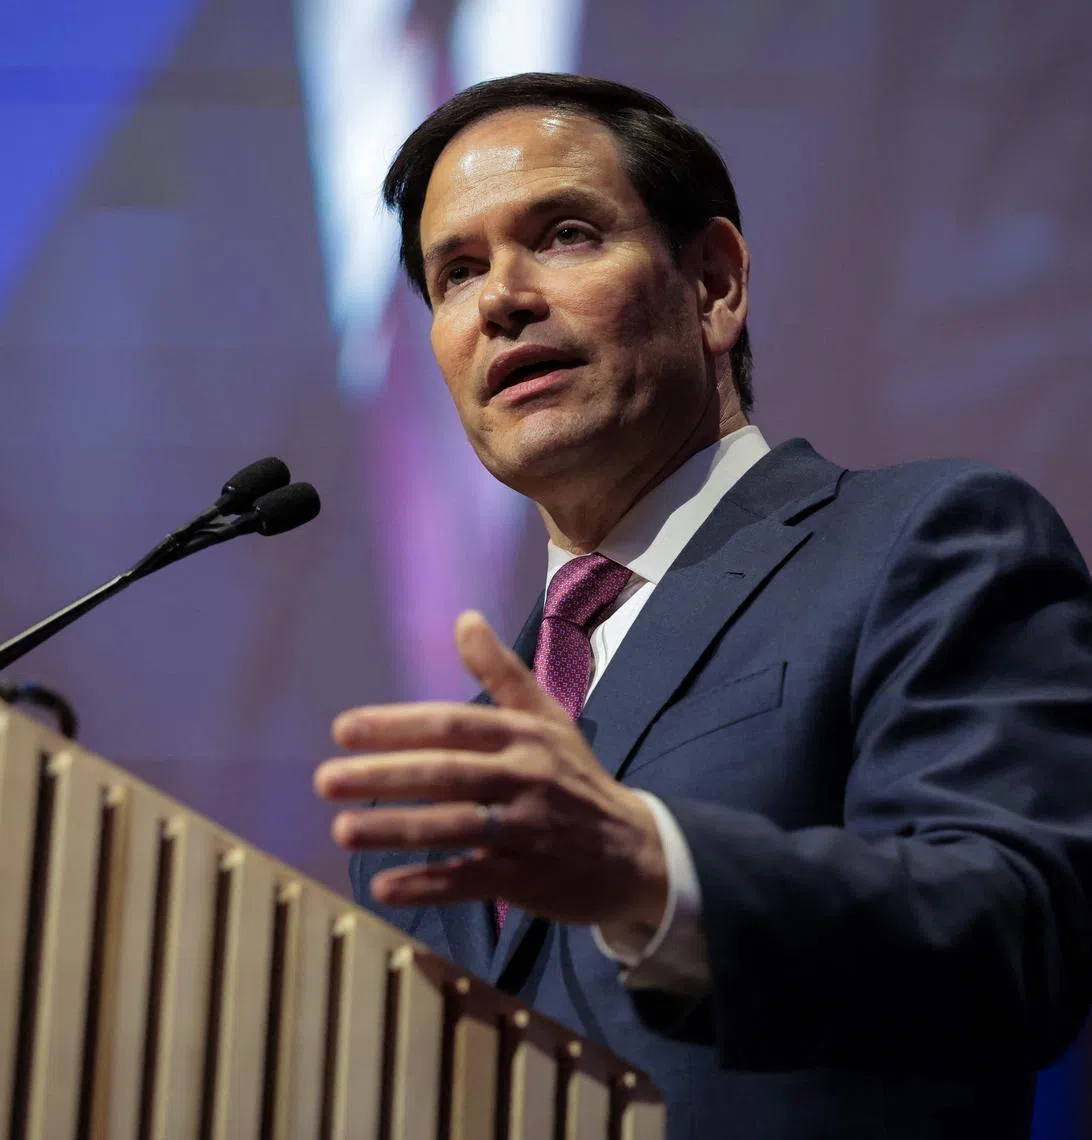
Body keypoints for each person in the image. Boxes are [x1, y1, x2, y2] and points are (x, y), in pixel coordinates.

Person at [312, 73, 1092, 1138]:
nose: (500, 299)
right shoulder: (452, 790)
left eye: (565, 234)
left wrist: (654, 871)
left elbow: (1020, 932)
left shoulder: (923, 546)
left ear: (715, 285)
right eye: (457, 272)